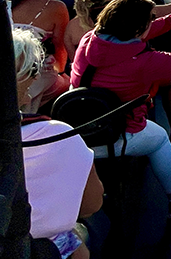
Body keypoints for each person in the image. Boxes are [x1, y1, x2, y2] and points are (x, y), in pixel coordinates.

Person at [71, 0, 171, 219]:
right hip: (115, 135)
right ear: (137, 30)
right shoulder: (146, 62)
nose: (151, 23)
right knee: (160, 140)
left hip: (79, 128)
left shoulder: (90, 39)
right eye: (149, 19)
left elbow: (137, 34)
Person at [64, 0, 171, 143]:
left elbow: (71, 60)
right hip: (121, 99)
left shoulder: (74, 27)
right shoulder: (125, 15)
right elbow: (170, 11)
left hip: (84, 99)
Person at [16, 29, 104, 259]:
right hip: (35, 246)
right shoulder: (59, 135)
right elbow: (91, 205)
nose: (37, 76)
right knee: (76, 242)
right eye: (33, 69)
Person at [11, 0, 69, 74]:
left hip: (8, 70)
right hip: (36, 73)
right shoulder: (56, 7)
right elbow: (59, 46)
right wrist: (61, 73)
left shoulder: (5, 4)